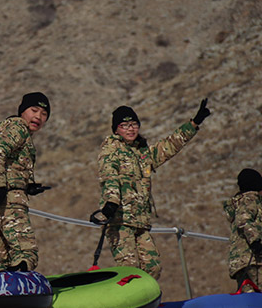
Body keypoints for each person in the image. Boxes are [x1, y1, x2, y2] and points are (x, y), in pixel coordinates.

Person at [95, 99, 211, 279]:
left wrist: (194, 123)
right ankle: (130, 304)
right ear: (116, 129)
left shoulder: (142, 154)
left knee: (153, 268)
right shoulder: (111, 149)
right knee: (130, 270)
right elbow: (109, 176)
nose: (131, 129)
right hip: (120, 222)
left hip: (140, 222)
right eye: (125, 125)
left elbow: (169, 145)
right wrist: (111, 202)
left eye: (134, 124)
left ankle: (148, 304)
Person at [0, 92, 51, 272]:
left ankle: (5, 294)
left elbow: (8, 162)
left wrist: (28, 186)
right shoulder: (18, 127)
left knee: (8, 258)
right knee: (25, 252)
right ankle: (23, 292)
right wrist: (0, 186)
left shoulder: (9, 129)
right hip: (7, 200)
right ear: (22, 110)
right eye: (34, 110)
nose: (38, 117)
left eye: (44, 114)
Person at [224, 168, 262, 293]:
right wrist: (256, 242)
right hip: (254, 259)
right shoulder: (250, 199)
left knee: (249, 297)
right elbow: (244, 221)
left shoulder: (238, 204)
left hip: (240, 261)